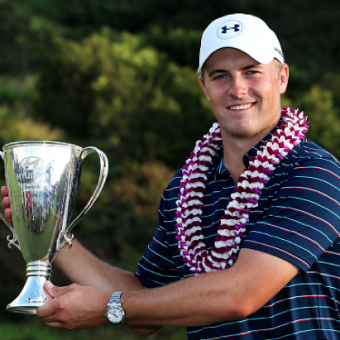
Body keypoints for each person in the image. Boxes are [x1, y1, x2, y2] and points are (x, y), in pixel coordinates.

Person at [2, 13, 340, 340]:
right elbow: (145, 305)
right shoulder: (185, 190)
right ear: (205, 87)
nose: (237, 89)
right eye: (220, 76)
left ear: (282, 78)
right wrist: (51, 234)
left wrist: (108, 307)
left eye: (252, 72)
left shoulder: (314, 173)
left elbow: (241, 294)